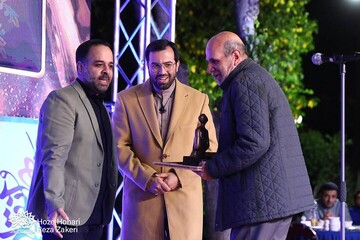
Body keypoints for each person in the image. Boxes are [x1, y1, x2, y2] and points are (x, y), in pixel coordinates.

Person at [199, 31, 314, 240]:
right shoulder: (251, 77)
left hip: (260, 205)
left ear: (235, 57)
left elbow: (254, 142)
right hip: (266, 204)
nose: (209, 69)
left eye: (214, 61)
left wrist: (213, 168)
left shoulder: (245, 82)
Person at [112, 39, 218, 240]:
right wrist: (147, 178)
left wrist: (178, 176)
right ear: (147, 66)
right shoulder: (126, 99)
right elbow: (119, 147)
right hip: (142, 207)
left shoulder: (198, 100)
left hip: (184, 207)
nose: (162, 71)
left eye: (168, 64)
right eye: (155, 65)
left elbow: (209, 148)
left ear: (177, 65)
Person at [27, 39, 118, 240]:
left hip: (95, 215)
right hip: (65, 216)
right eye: (99, 64)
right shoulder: (62, 99)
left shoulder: (101, 106)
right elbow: (53, 157)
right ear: (80, 67)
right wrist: (54, 204)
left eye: (110, 66)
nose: (106, 71)